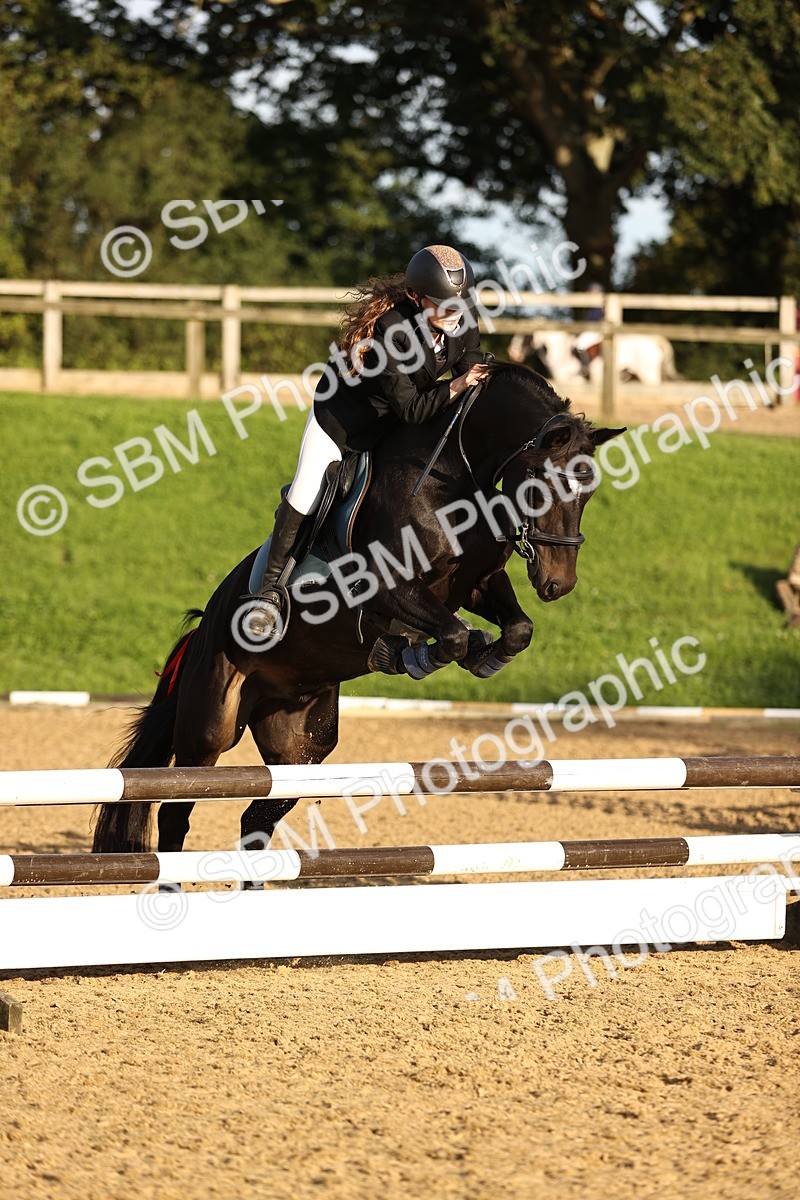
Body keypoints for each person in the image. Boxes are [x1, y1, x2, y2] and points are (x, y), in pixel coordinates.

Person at [245, 244, 490, 640]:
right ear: (416, 298)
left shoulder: (460, 320)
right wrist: (460, 384)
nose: (455, 313)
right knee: (308, 491)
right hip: (342, 421)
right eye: (444, 304)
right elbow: (412, 408)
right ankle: (267, 593)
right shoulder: (392, 331)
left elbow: (473, 370)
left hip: (393, 424)